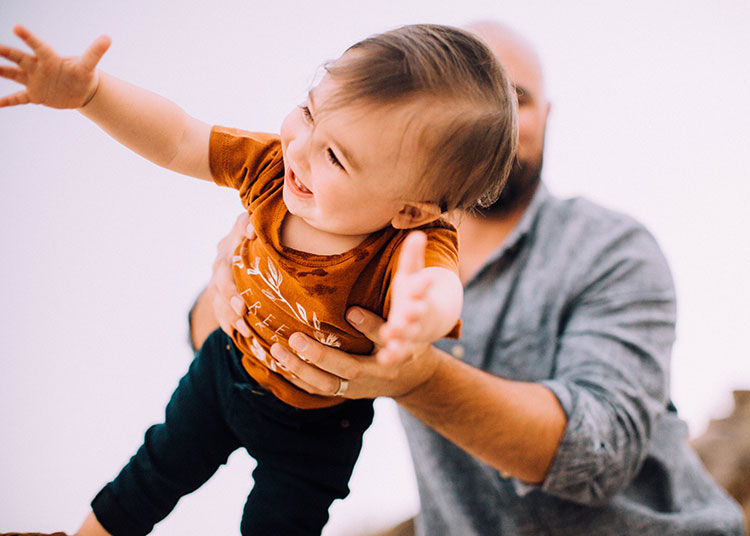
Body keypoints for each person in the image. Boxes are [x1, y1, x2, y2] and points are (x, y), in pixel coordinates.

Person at [192, 20, 748, 535]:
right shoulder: (351, 237)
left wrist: (416, 378)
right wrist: (235, 282)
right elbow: (209, 338)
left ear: (548, 117)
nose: (497, 120)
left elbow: (599, 455)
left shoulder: (611, 248)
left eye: (519, 98)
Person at [0, 24, 517, 536]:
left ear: (409, 209)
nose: (301, 149)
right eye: (311, 112)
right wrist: (92, 94)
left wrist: (418, 314)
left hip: (316, 429)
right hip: (224, 372)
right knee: (153, 471)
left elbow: (439, 291)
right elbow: (180, 137)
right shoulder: (268, 166)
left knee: (280, 523)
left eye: (335, 156)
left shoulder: (411, 246)